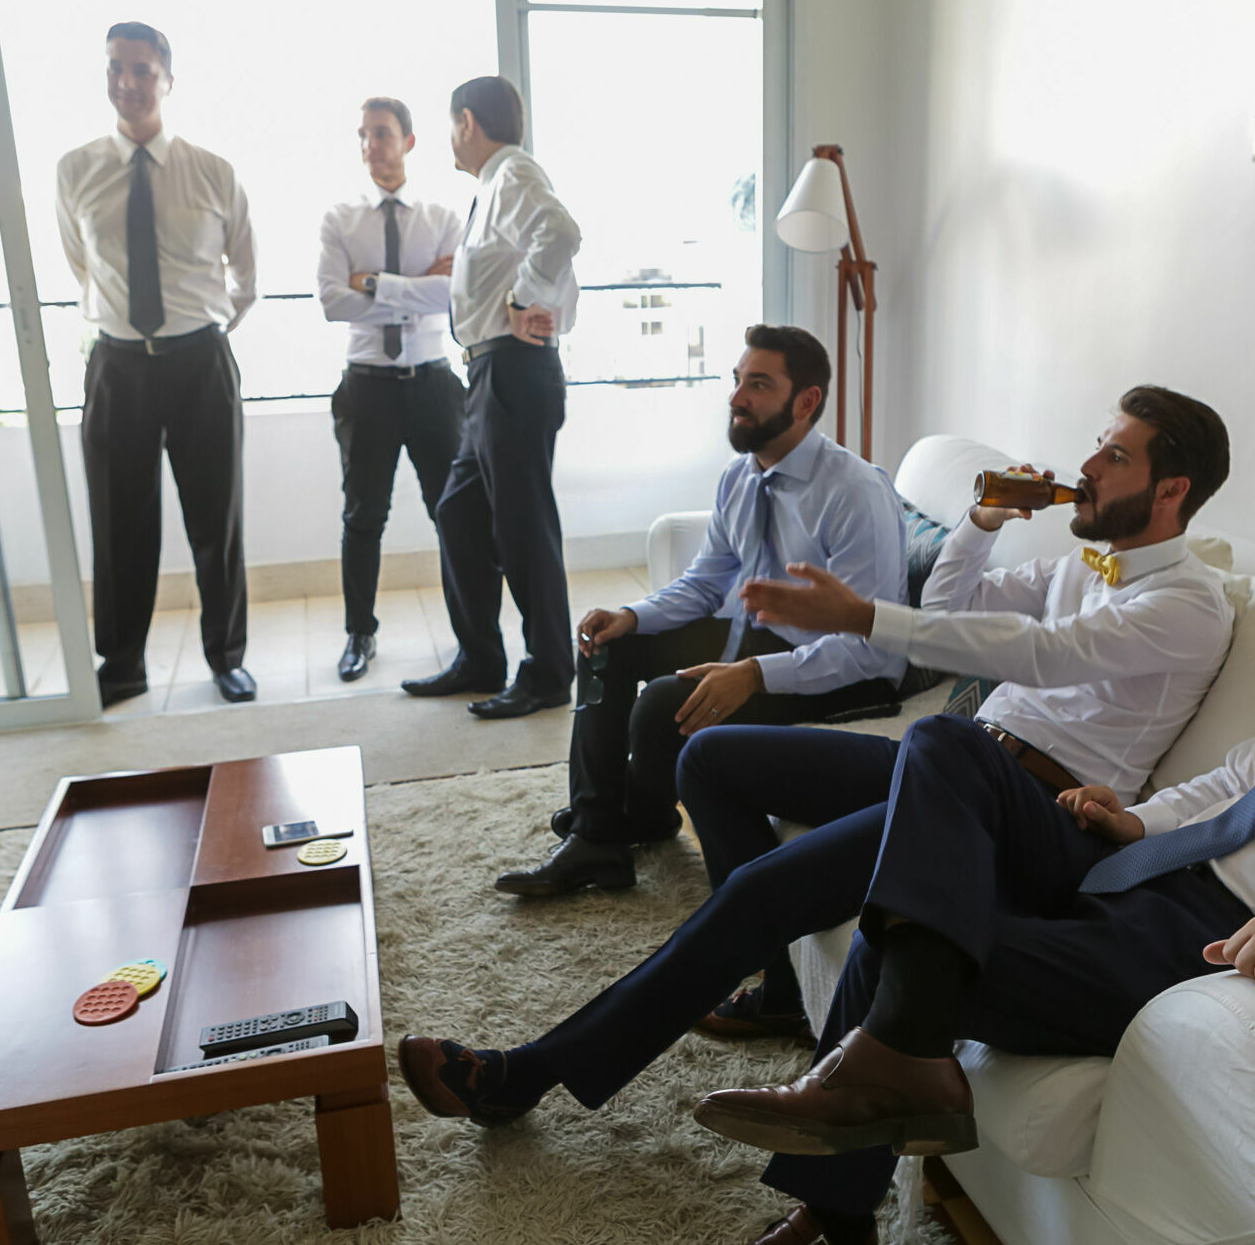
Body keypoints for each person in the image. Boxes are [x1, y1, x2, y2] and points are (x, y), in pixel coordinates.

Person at [398, 461, 1255, 1245]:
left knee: (906, 909)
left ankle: (829, 1149)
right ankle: (886, 1077)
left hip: (1198, 939)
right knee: (952, 759)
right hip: (1142, 857)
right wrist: (1142, 813)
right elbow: (1238, 775)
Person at [681, 385, 1235, 1043]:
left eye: (1113, 456)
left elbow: (1044, 656)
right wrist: (983, 519)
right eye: (1097, 446)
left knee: (769, 887)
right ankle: (782, 992)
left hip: (1023, 801)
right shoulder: (1085, 563)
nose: (1087, 469)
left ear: (1171, 490)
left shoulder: (1189, 603)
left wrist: (864, 617)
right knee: (710, 760)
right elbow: (946, 611)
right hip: (952, 755)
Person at [493, 325, 912, 899]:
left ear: (806, 401)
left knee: (662, 704)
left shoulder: (854, 493)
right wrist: (631, 615)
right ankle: (599, 835)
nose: (737, 397)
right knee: (607, 647)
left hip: (839, 672)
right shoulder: (740, 478)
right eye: (738, 381)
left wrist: (755, 675)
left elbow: (873, 648)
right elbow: (704, 582)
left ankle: (629, 820)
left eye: (759, 385)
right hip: (762, 639)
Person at [57, 21, 258, 708]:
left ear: (167, 79)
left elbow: (246, 275)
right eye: (117, 67)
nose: (128, 82)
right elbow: (81, 267)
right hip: (116, 366)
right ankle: (122, 666)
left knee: (216, 518)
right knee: (119, 525)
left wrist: (197, 329)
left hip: (200, 361)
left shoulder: (212, 170)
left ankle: (227, 657)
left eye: (142, 69)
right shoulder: (75, 170)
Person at [401, 75, 580, 719]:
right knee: (458, 511)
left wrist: (524, 301)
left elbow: (559, 233)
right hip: (487, 376)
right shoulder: (491, 186)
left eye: (451, 126)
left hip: (513, 374)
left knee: (522, 526)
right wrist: (526, 299)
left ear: (467, 123)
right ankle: (481, 657)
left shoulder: (512, 174)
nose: (451, 139)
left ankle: (550, 672)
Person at [316, 96, 466, 682]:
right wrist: (416, 285)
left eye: (381, 133)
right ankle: (360, 633)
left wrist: (374, 283)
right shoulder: (340, 220)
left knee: (450, 512)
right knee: (363, 515)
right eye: (362, 135)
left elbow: (451, 294)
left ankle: (468, 633)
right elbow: (332, 302)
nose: (370, 145)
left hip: (432, 383)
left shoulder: (443, 217)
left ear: (408, 140)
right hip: (367, 387)